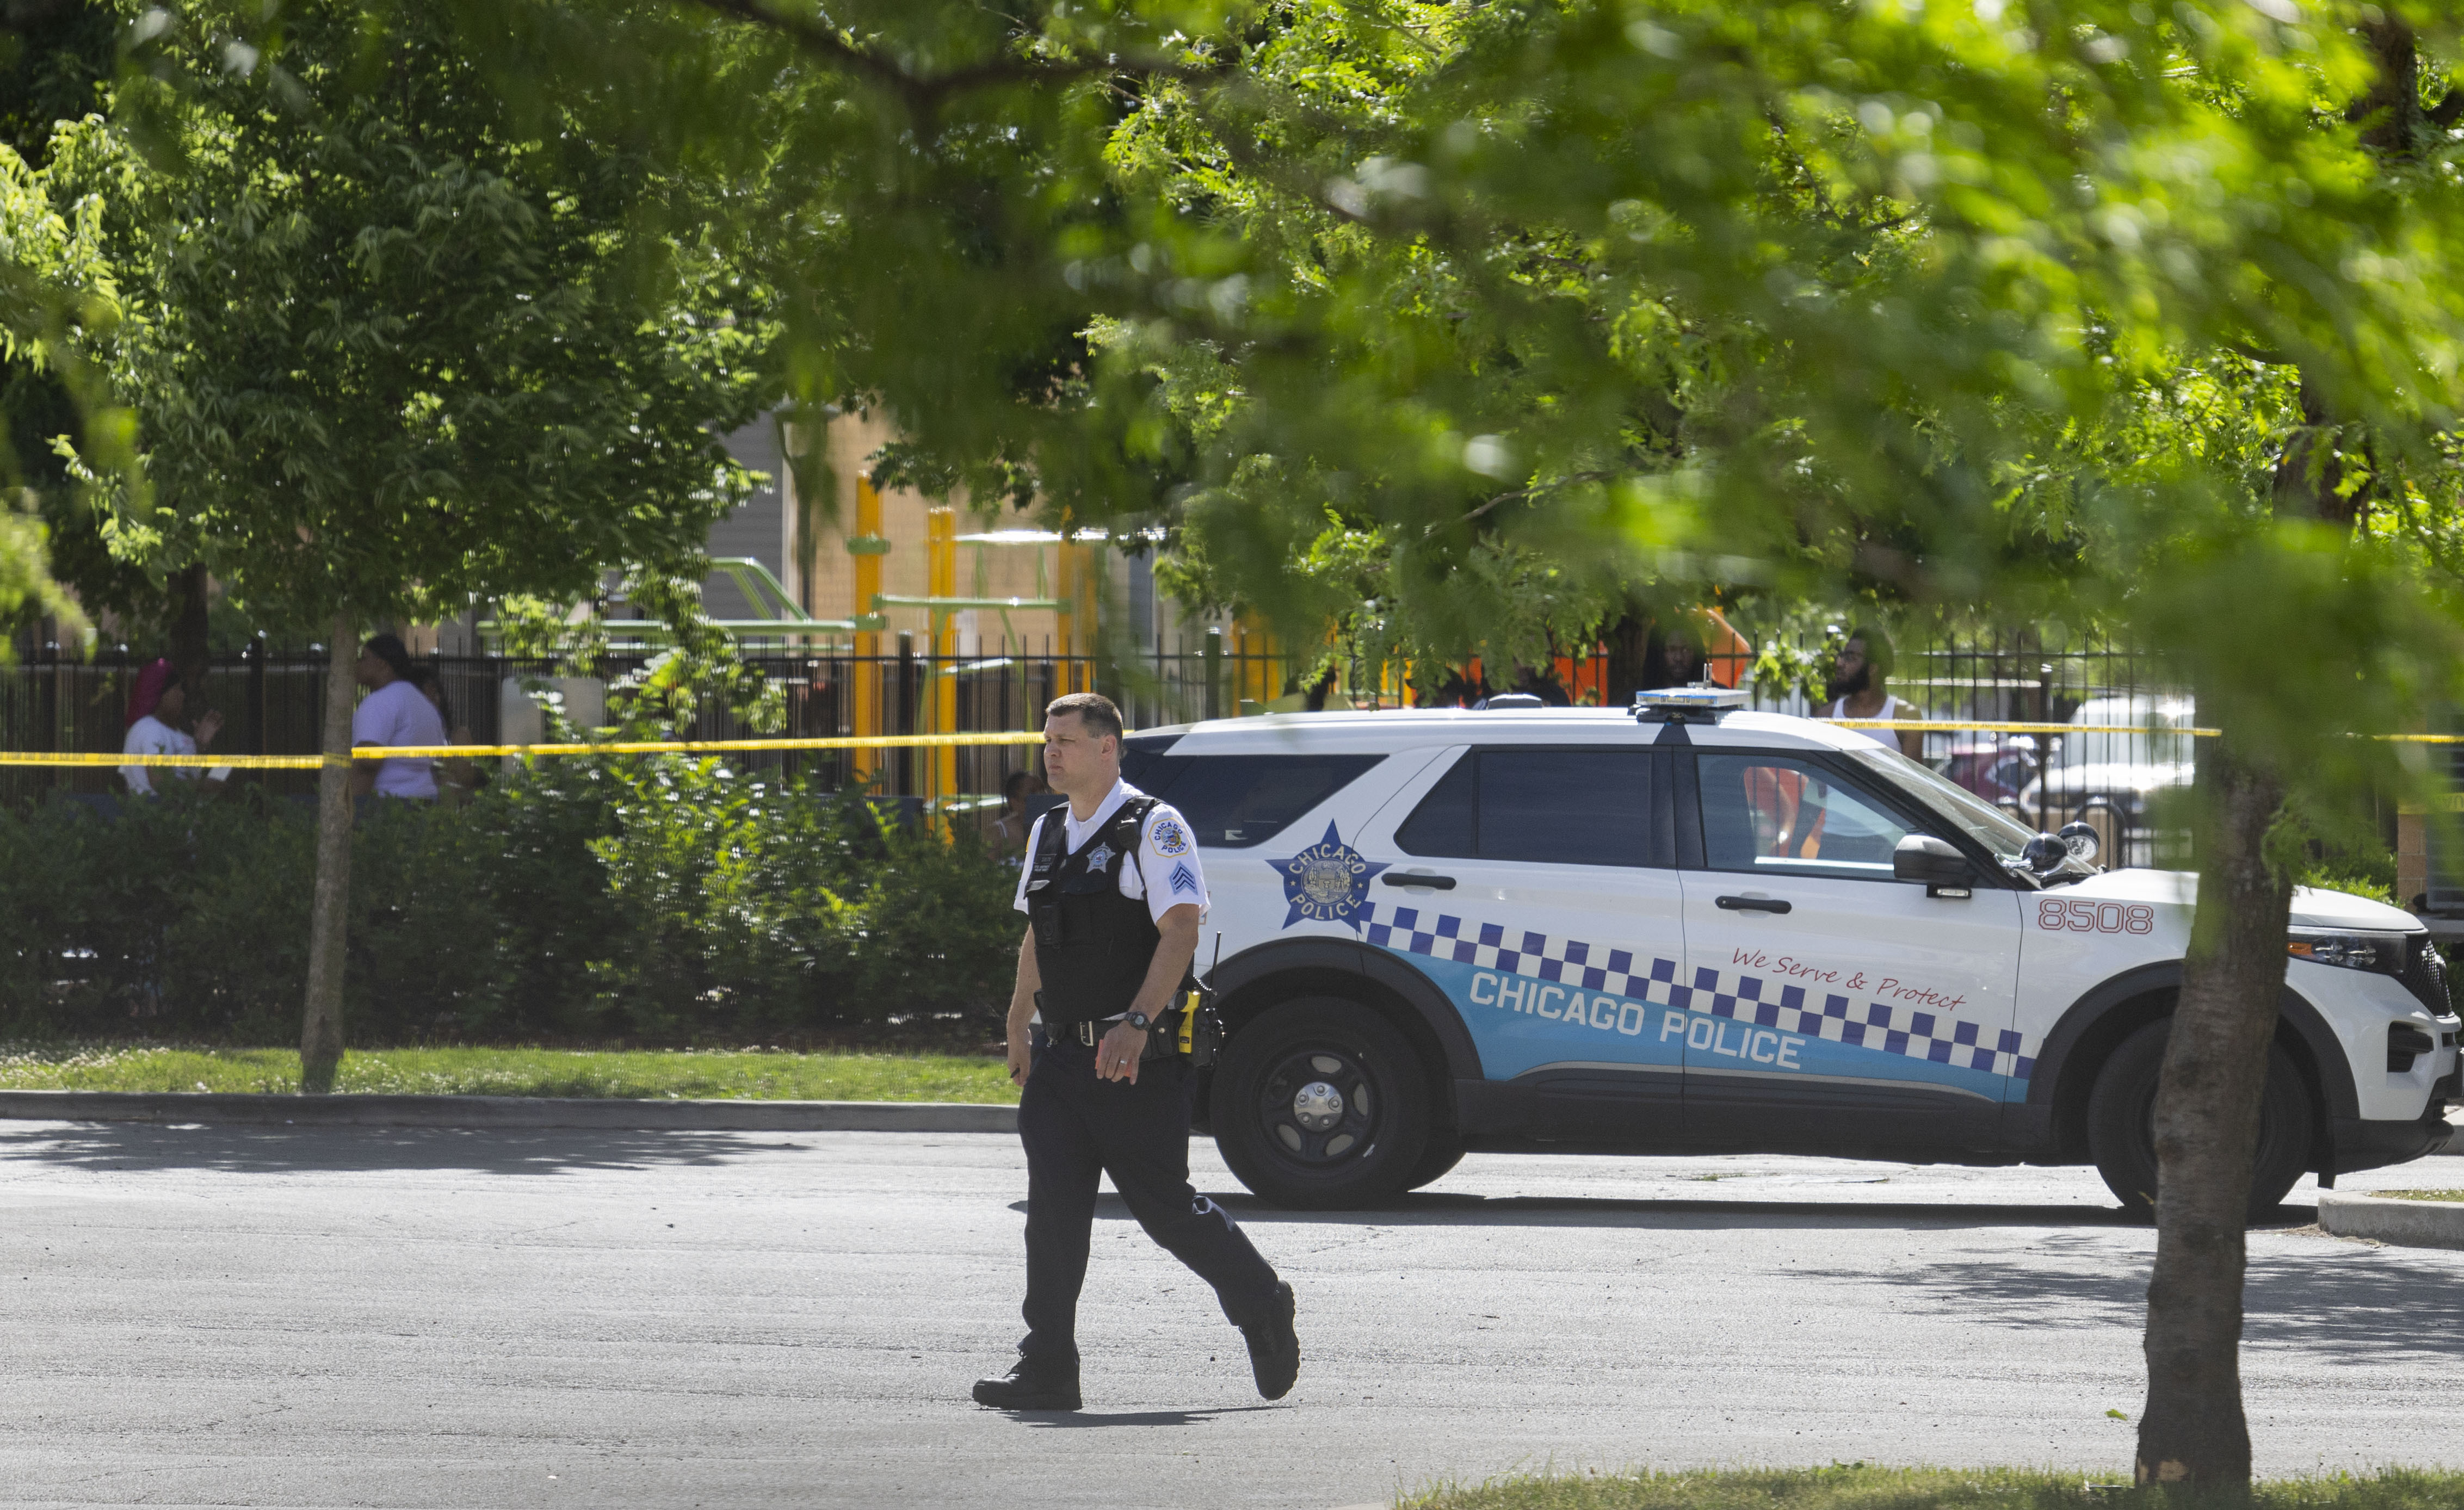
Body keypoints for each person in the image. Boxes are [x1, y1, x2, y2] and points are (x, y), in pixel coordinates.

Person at [973, 691, 1298, 1412]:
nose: (1051, 753)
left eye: (1065, 740)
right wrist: (1019, 1016)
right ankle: (1049, 1366)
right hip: (1060, 1060)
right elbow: (1038, 933)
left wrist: (1137, 1023)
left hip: (1134, 1063)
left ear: (1106, 748)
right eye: (1047, 740)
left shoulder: (1154, 827)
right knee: (1053, 1214)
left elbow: (1180, 929)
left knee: (1163, 1209)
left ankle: (1262, 1303)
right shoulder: (1049, 831)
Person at [350, 634, 448, 802]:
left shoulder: (380, 702)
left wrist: (352, 808)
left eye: (364, 658)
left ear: (382, 663)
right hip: (428, 800)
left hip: (390, 805)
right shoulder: (422, 702)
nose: (358, 664)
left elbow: (368, 763)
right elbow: (439, 761)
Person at [120, 659, 224, 797]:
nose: (182, 695)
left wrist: (200, 746)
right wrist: (204, 785)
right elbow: (160, 783)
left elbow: (186, 772)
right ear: (159, 695)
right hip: (157, 814)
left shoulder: (168, 731)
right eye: (177, 689)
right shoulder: (151, 730)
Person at [1823, 625, 1924, 759]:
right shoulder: (1826, 717)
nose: (1840, 664)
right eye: (1843, 656)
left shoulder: (1905, 717)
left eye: (1851, 658)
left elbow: (1912, 779)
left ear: (1873, 668)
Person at [405, 665, 484, 804]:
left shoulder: (449, 729)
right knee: (448, 783)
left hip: (454, 782)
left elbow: (466, 775)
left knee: (462, 736)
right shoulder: (407, 726)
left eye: (436, 692)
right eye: (426, 691)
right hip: (426, 783)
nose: (434, 697)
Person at [988, 768, 1049, 856]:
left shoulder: (1055, 827)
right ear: (1014, 801)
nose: (1041, 796)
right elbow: (987, 867)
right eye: (1033, 792)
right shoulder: (998, 832)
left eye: (1042, 789)